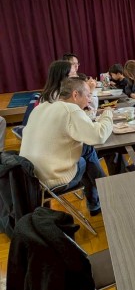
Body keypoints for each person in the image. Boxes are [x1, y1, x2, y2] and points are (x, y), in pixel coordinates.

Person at [19, 78, 113, 216]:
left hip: (30, 179)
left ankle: (100, 200)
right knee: (86, 152)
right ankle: (110, 194)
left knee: (85, 150)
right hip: (53, 181)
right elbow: (99, 136)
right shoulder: (70, 110)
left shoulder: (41, 107)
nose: (89, 100)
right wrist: (107, 114)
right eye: (88, 95)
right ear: (75, 94)